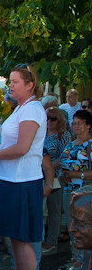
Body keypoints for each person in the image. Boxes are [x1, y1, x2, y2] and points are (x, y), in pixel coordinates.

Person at [0, 64, 46, 270]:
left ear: (30, 85)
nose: (10, 85)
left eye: (15, 81)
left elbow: (23, 148)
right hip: (11, 178)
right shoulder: (22, 108)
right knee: (14, 237)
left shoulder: (31, 109)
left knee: (22, 238)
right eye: (10, 81)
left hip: (22, 181)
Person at [59, 108, 92, 260]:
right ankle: (76, 258)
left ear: (88, 125)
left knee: (84, 226)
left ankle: (84, 260)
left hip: (85, 192)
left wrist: (76, 174)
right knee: (72, 225)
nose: (76, 126)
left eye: (80, 123)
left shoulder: (90, 146)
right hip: (69, 190)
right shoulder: (71, 144)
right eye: (74, 123)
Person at [42, 107, 71, 253]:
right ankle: (40, 239)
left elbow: (63, 156)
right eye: (47, 118)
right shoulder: (41, 133)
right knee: (40, 210)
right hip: (38, 176)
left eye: (53, 118)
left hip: (55, 177)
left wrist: (48, 169)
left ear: (59, 121)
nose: (49, 121)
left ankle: (52, 241)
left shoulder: (63, 135)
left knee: (54, 210)